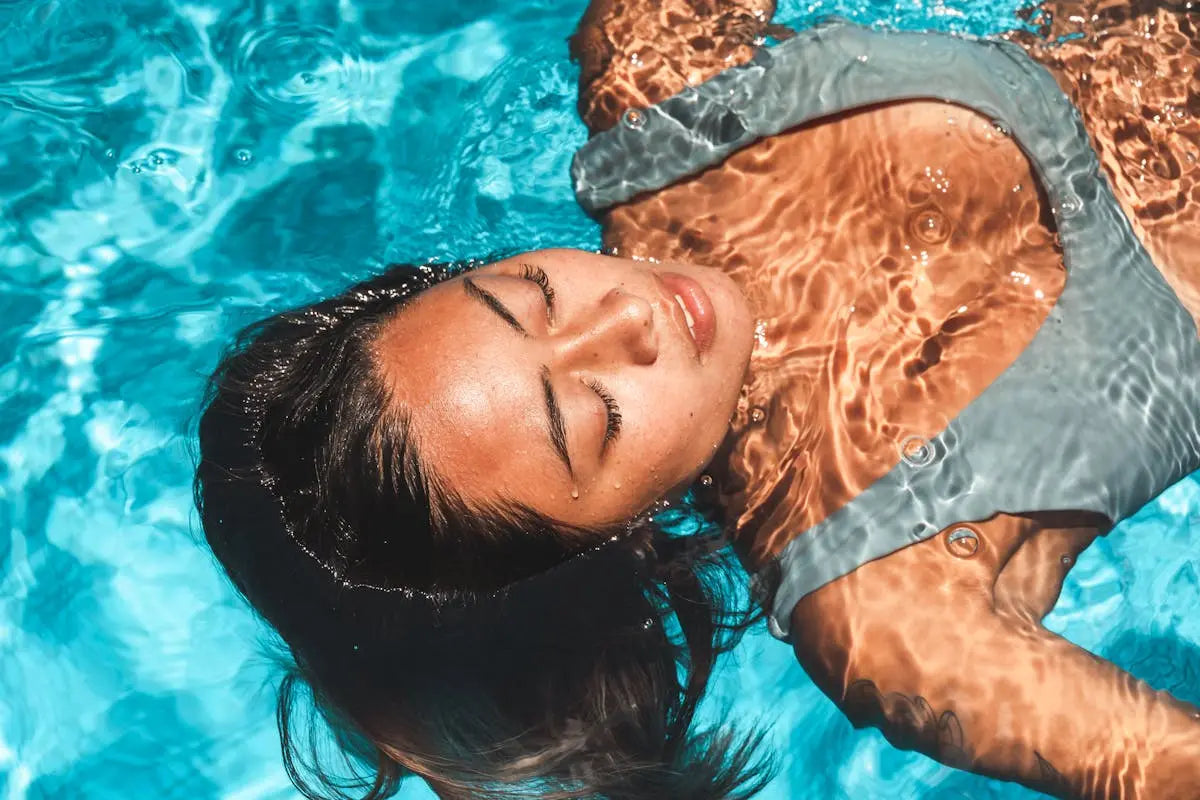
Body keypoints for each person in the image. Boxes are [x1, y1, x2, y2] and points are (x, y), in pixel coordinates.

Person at [195, 1, 1200, 798]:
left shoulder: (665, 90)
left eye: (530, 294)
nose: (627, 321)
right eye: (594, 415)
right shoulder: (887, 599)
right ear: (616, 537)